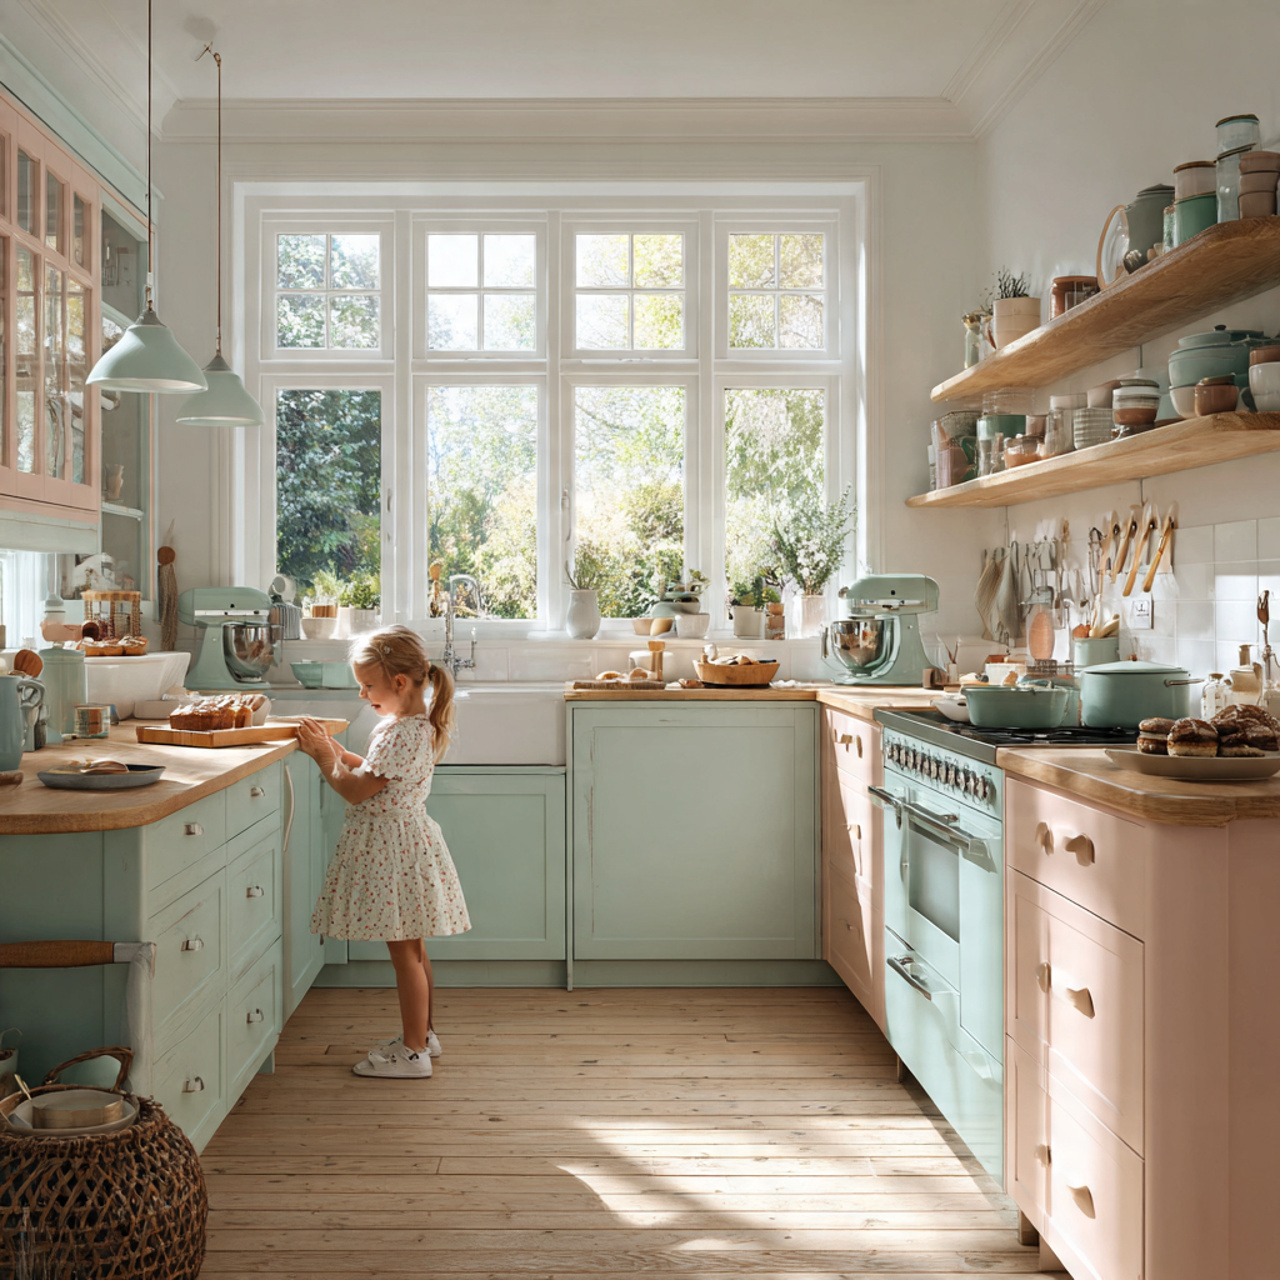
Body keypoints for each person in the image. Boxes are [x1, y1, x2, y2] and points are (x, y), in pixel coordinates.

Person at [296, 625, 470, 1078]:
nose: (361, 693)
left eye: (368, 685)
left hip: (390, 850)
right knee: (415, 948)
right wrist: (338, 750)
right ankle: (424, 1035)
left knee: (404, 954)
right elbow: (376, 772)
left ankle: (413, 1054)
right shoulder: (412, 725)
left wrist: (322, 759)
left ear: (398, 683)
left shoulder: (397, 734)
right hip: (408, 843)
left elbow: (356, 792)